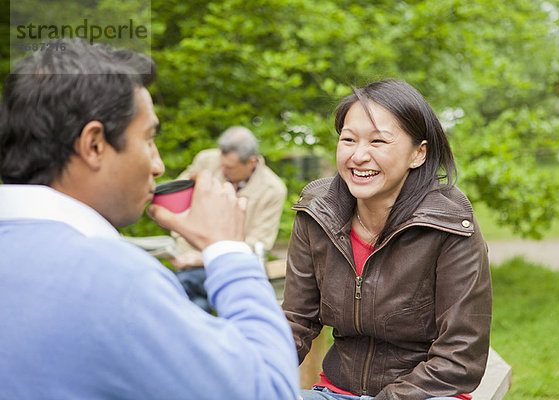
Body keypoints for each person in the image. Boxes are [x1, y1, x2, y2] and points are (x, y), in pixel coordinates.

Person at [0, 39, 299, 400]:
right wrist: (230, 251)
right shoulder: (117, 280)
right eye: (149, 139)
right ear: (94, 144)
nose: (158, 166)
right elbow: (270, 391)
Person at [282, 79, 492, 400]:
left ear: (418, 154)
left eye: (378, 141)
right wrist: (245, 375)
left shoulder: (450, 224)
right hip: (337, 391)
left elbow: (460, 358)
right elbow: (297, 322)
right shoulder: (316, 211)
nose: (359, 156)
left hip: (427, 394)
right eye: (348, 139)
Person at [170, 127, 287, 310]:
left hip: (233, 266)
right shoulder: (206, 160)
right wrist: (179, 240)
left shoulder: (273, 189)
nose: (222, 170)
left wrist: (203, 258)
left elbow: (258, 244)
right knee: (196, 304)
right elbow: (176, 197)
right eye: (221, 163)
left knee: (182, 288)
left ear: (251, 162)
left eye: (229, 167)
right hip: (190, 258)